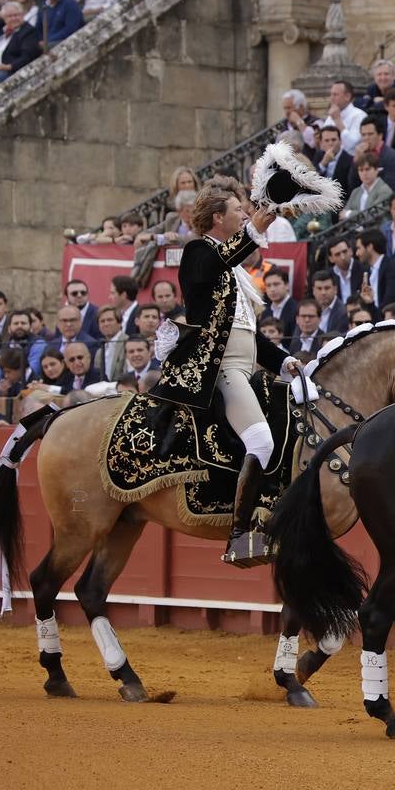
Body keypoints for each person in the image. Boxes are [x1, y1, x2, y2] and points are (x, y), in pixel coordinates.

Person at [148, 185, 303, 568]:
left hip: (244, 370)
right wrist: (253, 232)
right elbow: (218, 261)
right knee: (261, 441)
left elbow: (248, 334)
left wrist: (283, 360)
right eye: (238, 209)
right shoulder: (197, 253)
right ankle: (238, 535)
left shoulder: (234, 270)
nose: (245, 214)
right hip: (220, 372)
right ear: (218, 218)